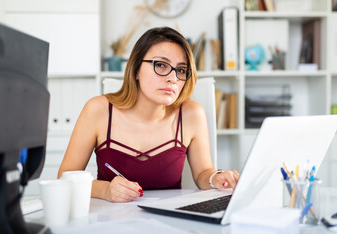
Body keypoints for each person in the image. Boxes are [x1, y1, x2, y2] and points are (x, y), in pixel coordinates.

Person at [58, 27, 240, 203]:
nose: (173, 78)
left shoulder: (192, 113)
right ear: (136, 68)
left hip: (168, 222)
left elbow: (203, 174)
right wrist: (105, 190)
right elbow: (65, 178)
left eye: (181, 70)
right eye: (161, 65)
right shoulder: (98, 109)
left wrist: (215, 178)